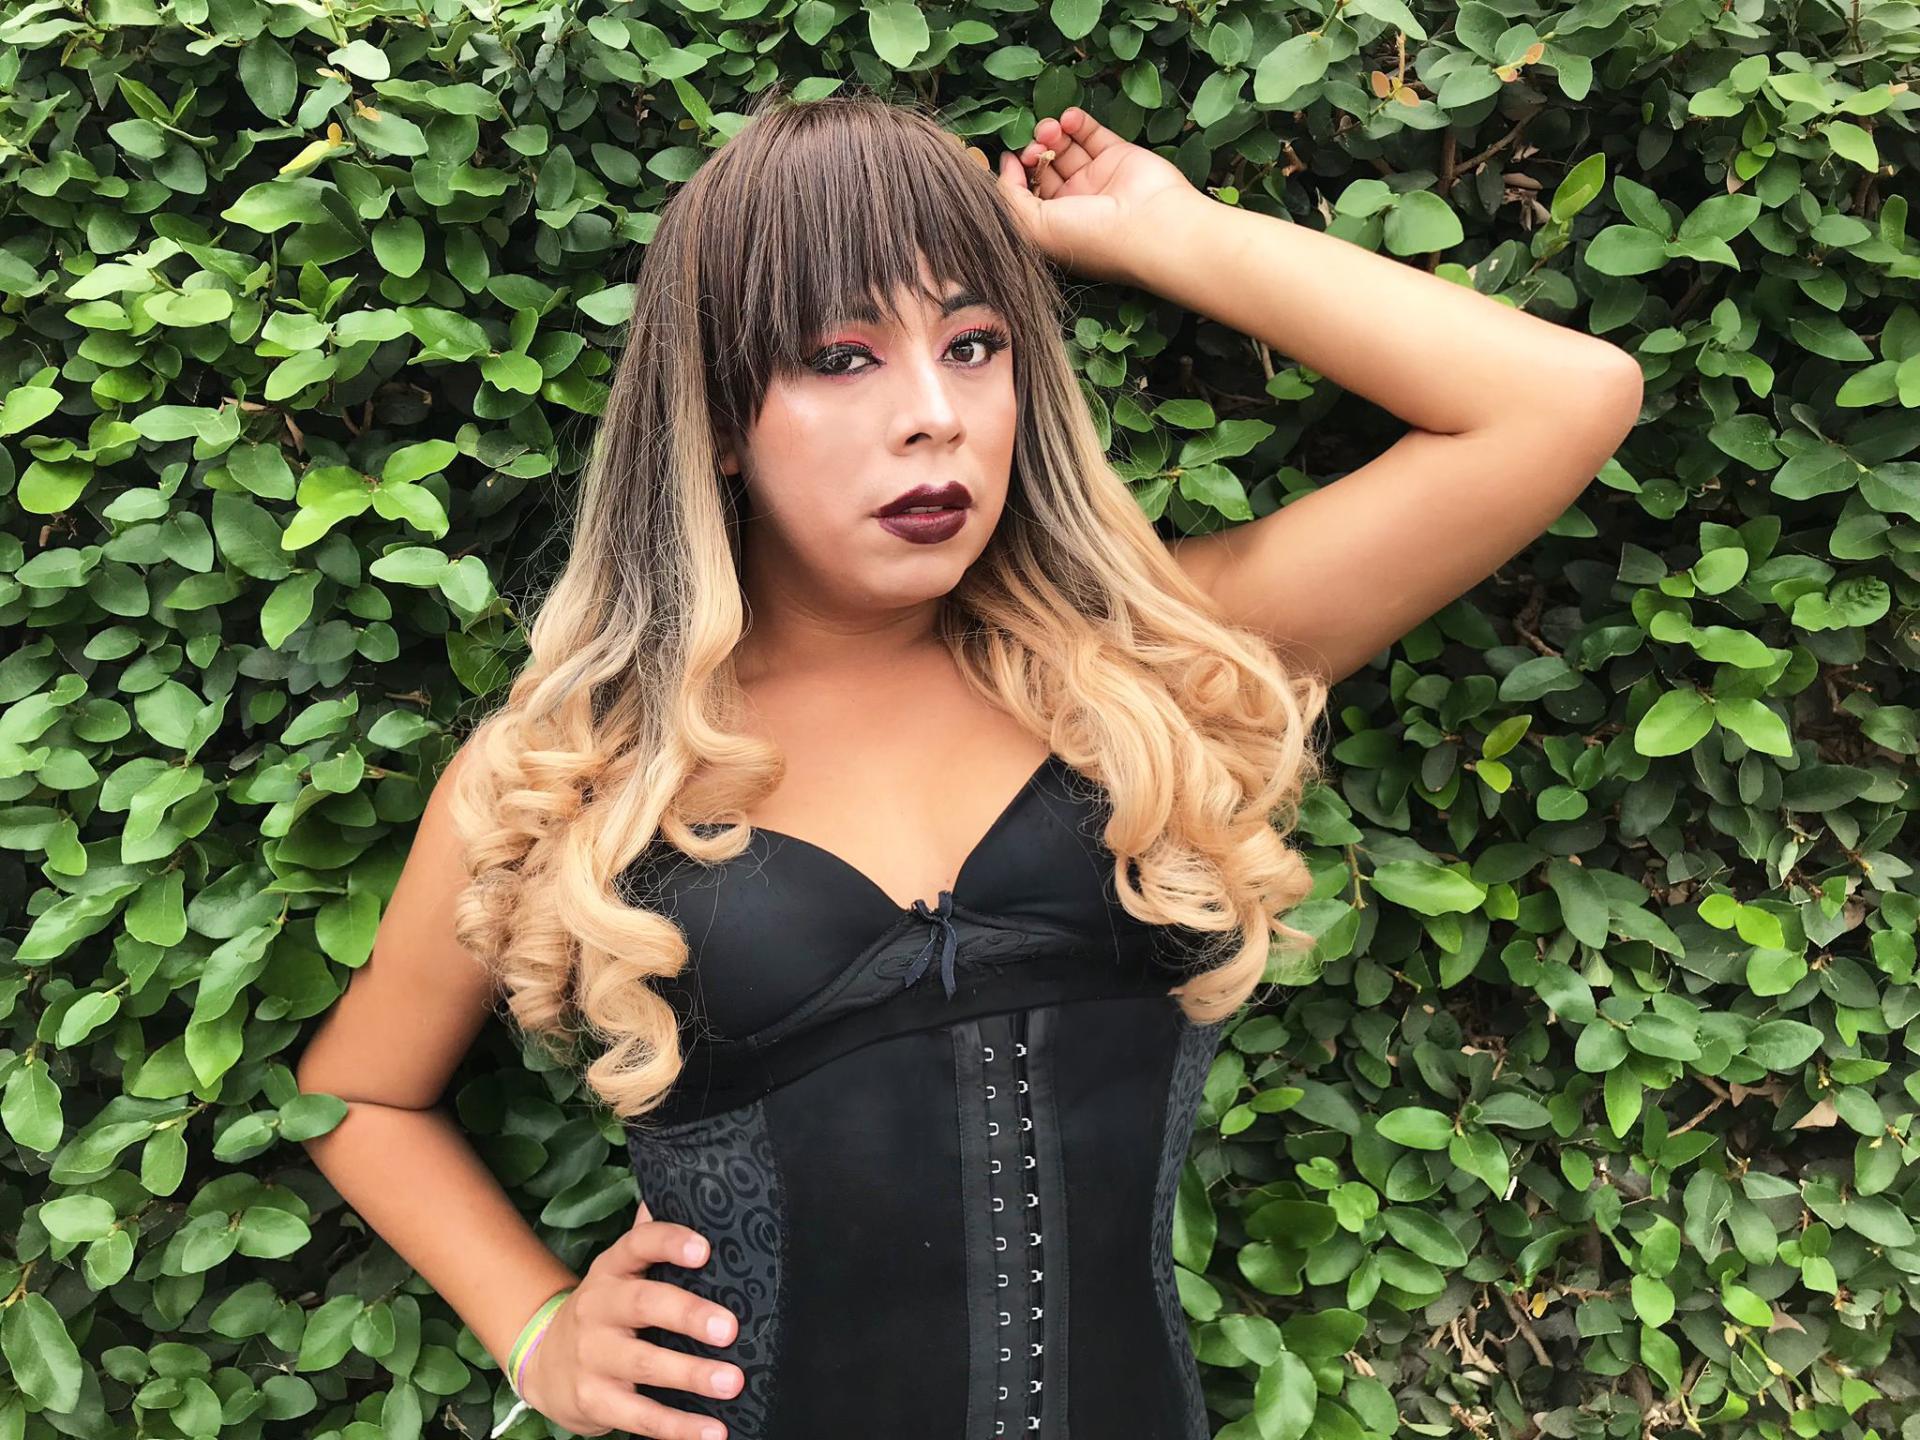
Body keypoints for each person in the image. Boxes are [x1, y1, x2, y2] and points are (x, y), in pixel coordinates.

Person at [294, 83, 1641, 1440]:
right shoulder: (582, 763)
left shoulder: (1151, 668)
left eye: (975, 343)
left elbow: (1562, 397)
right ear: (716, 418)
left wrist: (1168, 233)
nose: (934, 413)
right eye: (842, 356)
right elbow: (357, 1095)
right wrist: (538, 1333)